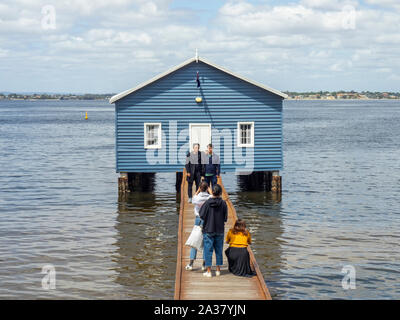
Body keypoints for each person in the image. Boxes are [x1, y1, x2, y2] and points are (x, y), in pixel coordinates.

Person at [199, 184, 227, 277]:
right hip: (220, 229)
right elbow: (225, 218)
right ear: (220, 193)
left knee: (208, 250)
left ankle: (209, 271)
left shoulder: (207, 203)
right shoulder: (223, 203)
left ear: (212, 192)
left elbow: (201, 215)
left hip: (208, 229)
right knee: (219, 250)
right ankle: (218, 270)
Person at [185, 181, 212, 271]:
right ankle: (204, 264)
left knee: (195, 240)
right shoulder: (209, 198)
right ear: (207, 188)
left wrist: (198, 190)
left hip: (198, 219)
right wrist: (210, 190)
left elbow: (193, 198)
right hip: (207, 220)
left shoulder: (196, 198)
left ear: (200, 188)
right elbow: (213, 196)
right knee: (205, 241)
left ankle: (191, 263)